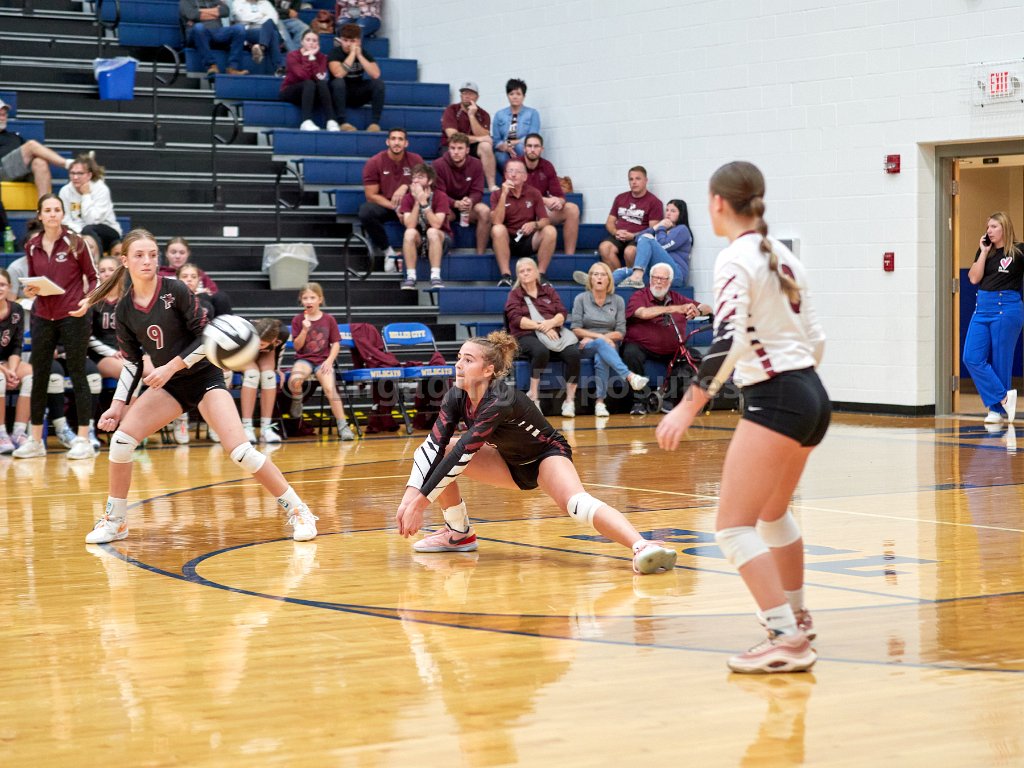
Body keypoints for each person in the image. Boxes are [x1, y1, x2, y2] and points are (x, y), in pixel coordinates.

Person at [656, 160, 829, 674]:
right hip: (812, 394)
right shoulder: (784, 258)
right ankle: (797, 618)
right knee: (772, 515)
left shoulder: (734, 258)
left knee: (732, 528)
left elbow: (728, 340)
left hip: (778, 398)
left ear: (717, 203)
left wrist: (687, 407)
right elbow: (816, 340)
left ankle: (784, 636)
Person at [77, 229, 321, 543]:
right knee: (121, 442)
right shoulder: (124, 309)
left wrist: (170, 367)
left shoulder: (175, 289)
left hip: (204, 378)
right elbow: (133, 363)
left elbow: (207, 339)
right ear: (124, 261)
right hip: (171, 386)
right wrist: (116, 405)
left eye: (152, 254)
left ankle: (299, 511)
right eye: (139, 255)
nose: (147, 261)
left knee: (241, 452)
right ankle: (116, 522)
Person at [394, 329, 678, 575]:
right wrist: (409, 499)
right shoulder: (455, 397)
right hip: (508, 462)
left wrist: (420, 505)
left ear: (488, 370)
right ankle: (459, 534)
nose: (458, 364)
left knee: (576, 504)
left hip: (545, 457)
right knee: (442, 451)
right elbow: (433, 446)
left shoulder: (500, 399)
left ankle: (641, 546)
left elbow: (463, 455)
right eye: (458, 358)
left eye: (468, 360)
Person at [13, 194, 97, 460]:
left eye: (56, 210)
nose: (52, 214)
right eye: (47, 210)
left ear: (62, 214)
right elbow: (33, 281)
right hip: (42, 315)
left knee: (78, 372)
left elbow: (94, 278)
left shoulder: (76, 242)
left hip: (73, 314)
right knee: (39, 376)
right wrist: (30, 289)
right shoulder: (32, 245)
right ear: (40, 215)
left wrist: (87, 302)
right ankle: (35, 440)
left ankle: (83, 439)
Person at [622, 262, 711, 415]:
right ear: (650, 279)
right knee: (630, 353)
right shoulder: (639, 296)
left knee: (692, 356)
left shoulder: (677, 297)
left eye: (663, 279)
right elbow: (642, 313)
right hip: (641, 346)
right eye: (655, 277)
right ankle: (639, 402)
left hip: (672, 349)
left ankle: (668, 399)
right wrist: (674, 309)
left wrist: (698, 311)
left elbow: (707, 308)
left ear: (669, 282)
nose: (658, 282)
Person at [964, 212, 1023, 425]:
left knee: (1001, 360)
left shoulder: (1019, 251)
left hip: (1006, 308)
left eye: (994, 226)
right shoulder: (985, 251)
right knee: (971, 357)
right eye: (988, 226)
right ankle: (1004, 397)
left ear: (1005, 228)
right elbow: (973, 278)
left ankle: (996, 410)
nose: (989, 230)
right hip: (982, 308)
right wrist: (983, 252)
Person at [570, 262, 650, 417]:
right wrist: (600, 338)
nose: (599, 278)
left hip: (610, 344)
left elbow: (620, 332)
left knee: (602, 359)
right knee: (601, 345)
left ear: (609, 279)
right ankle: (629, 376)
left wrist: (604, 339)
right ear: (590, 278)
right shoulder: (581, 299)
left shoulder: (618, 300)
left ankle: (600, 403)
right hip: (587, 344)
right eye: (595, 274)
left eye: (603, 274)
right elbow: (576, 329)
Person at [504, 257, 579, 417]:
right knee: (540, 351)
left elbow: (562, 312)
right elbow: (516, 320)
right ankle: (533, 396)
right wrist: (543, 327)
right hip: (525, 335)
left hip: (553, 331)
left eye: (528, 270)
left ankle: (569, 401)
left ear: (537, 272)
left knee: (573, 354)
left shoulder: (548, 291)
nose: (525, 273)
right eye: (521, 271)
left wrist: (551, 323)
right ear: (518, 275)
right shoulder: (515, 295)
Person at [287, 282, 355, 440]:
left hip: (323, 360)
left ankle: (343, 426)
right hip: (304, 359)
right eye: (305, 298)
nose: (309, 301)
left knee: (330, 389)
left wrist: (330, 361)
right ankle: (297, 401)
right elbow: (297, 346)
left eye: (312, 298)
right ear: (301, 300)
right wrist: (304, 330)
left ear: (320, 299)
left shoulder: (329, 319)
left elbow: (336, 343)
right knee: (295, 381)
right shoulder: (297, 320)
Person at [359, 128, 424, 271]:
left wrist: (405, 186)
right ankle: (388, 252)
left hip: (410, 204)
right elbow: (371, 195)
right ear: (387, 142)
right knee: (366, 211)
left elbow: (425, 185)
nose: (396, 142)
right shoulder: (374, 162)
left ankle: (419, 252)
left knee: (426, 209)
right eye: (393, 139)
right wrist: (396, 207)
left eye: (400, 139)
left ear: (406, 143)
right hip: (387, 205)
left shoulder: (416, 160)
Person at [491, 159, 556, 287]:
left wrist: (534, 225)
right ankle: (506, 276)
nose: (513, 175)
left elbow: (545, 220)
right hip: (507, 240)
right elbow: (496, 221)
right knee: (497, 229)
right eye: (510, 171)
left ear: (525, 177)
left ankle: (541, 275)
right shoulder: (497, 194)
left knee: (550, 231)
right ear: (505, 175)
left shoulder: (534, 193)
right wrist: (504, 194)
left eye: (517, 171)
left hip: (528, 239)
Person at [0, 98, 80, 199]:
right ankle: (70, 164)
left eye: (4, 115)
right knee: (31, 145)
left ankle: (44, 204)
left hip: (19, 171)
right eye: (0, 115)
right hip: (2, 171)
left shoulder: (14, 136)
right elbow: (31, 148)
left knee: (40, 162)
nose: (2, 118)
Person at [611, 198, 693, 289]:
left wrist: (661, 228)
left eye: (673, 211)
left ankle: (637, 276)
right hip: (657, 273)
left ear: (681, 214)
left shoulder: (682, 230)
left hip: (676, 275)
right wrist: (656, 227)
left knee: (646, 238)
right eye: (667, 210)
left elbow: (663, 245)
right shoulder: (662, 229)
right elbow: (638, 239)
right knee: (619, 273)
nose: (668, 213)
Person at [431, 132, 490, 255]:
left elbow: (477, 191)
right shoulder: (438, 165)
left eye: (460, 148)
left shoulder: (476, 164)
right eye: (452, 148)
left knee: (484, 211)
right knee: (441, 214)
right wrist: (455, 203)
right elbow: (439, 193)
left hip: (468, 206)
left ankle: (480, 255)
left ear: (467, 150)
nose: (456, 152)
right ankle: (445, 250)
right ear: (448, 149)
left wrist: (470, 201)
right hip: (447, 205)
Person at [521, 133, 579, 256]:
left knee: (572, 209)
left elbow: (560, 195)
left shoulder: (547, 166)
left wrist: (558, 202)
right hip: (520, 212)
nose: (532, 149)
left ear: (541, 149)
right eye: (529, 146)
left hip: (540, 212)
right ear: (524, 148)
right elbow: (517, 194)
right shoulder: (515, 165)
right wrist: (544, 200)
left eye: (536, 146)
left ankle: (569, 257)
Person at [398, 164, 452, 290]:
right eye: (414, 177)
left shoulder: (440, 196)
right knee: (409, 233)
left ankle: (435, 276)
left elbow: (437, 224)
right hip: (418, 240)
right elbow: (409, 225)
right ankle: (411, 277)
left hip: (440, 239)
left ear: (430, 181)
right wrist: (417, 202)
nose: (416, 181)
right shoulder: (408, 198)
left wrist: (424, 203)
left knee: (432, 231)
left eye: (420, 177)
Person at [598, 166, 663, 271]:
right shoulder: (620, 198)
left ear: (646, 180)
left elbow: (653, 230)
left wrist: (633, 236)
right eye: (631, 179)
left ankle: (633, 278)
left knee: (630, 252)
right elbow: (609, 222)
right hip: (619, 236)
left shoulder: (655, 202)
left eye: (638, 179)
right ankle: (619, 277)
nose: (634, 182)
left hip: (639, 238)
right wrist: (615, 232)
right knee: (604, 248)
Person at [58, 153, 123, 256]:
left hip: (107, 231)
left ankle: (97, 261)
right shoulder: (65, 191)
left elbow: (92, 221)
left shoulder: (101, 189)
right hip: (77, 231)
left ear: (89, 175)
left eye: (80, 173)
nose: (75, 177)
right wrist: (79, 232)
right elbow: (65, 220)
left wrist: (86, 195)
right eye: (72, 173)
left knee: (88, 229)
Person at [238, 317, 289, 444]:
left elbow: (279, 352)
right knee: (252, 374)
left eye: (261, 344)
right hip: (242, 353)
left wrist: (277, 369)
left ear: (274, 340)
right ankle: (246, 427)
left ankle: (266, 428)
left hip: (266, 353)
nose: (258, 346)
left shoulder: (282, 334)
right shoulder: (245, 330)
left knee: (269, 376)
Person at [327, 23, 385, 132]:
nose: (348, 44)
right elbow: (339, 74)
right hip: (339, 92)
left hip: (357, 90)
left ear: (359, 42)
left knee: (378, 84)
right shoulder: (335, 53)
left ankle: (374, 124)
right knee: (338, 82)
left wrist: (359, 56)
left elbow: (375, 74)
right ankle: (342, 122)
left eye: (352, 41)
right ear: (341, 40)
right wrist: (352, 54)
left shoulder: (363, 53)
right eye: (345, 40)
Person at [280, 29, 339, 132]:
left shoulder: (322, 57)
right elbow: (303, 75)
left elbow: (320, 77)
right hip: (291, 90)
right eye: (308, 40)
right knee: (309, 83)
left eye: (314, 40)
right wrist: (307, 57)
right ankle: (306, 121)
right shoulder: (292, 55)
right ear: (302, 42)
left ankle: (331, 120)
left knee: (322, 83)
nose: (311, 43)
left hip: (311, 92)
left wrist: (312, 58)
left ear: (318, 44)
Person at [441, 82, 497, 191]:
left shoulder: (483, 114)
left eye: (470, 94)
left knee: (486, 146)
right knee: (457, 147)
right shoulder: (451, 110)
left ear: (477, 97)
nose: (467, 96)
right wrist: (479, 139)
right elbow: (453, 137)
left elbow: (484, 135)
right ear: (461, 95)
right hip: (452, 146)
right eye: (464, 93)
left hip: (472, 147)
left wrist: (471, 115)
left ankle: (491, 185)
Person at [0, 269, 31, 454]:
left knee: (31, 375)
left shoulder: (16, 310)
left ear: (10, 287)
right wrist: (5, 372)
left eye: (2, 284)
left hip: (6, 361)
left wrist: (11, 370)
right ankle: (1, 433)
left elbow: (17, 345)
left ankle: (19, 432)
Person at [178, 0, 249, 76]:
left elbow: (225, 11)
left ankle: (232, 68)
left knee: (239, 28)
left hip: (217, 31)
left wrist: (200, 11)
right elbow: (192, 15)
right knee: (199, 27)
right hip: (198, 34)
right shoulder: (186, 1)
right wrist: (216, 12)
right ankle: (211, 66)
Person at [491, 78, 541, 171]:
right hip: (505, 149)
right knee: (499, 156)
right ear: (507, 95)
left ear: (524, 96)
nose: (515, 97)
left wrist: (510, 143)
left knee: (519, 147)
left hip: (523, 148)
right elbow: (496, 141)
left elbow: (532, 137)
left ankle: (525, 175)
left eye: (518, 94)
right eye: (511, 94)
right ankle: (511, 177)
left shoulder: (532, 113)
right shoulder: (499, 115)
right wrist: (504, 147)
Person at [231, 0, 286, 75]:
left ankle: (262, 47)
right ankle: (279, 67)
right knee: (273, 33)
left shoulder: (265, 3)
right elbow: (243, 17)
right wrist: (262, 15)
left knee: (270, 24)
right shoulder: (238, 2)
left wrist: (254, 20)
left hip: (267, 30)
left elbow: (274, 19)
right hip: (249, 31)